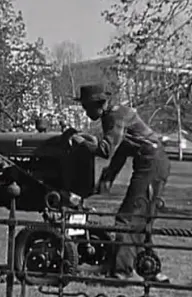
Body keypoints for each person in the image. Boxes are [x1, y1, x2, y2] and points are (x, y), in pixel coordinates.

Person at [70, 84, 170, 283]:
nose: (86, 111)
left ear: (99, 104)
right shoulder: (117, 113)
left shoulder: (114, 116)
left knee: (126, 219)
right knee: (141, 219)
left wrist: (80, 142)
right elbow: (122, 150)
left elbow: (106, 149)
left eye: (87, 107)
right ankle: (151, 270)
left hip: (151, 163)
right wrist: (108, 178)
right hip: (154, 162)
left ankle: (121, 273)